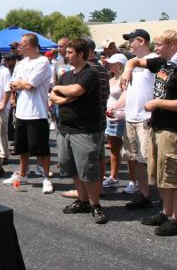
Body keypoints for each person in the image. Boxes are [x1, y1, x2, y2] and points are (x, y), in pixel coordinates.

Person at [121, 29, 177, 236]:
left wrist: (157, 103)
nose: (155, 48)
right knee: (161, 177)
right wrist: (127, 69)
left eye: (159, 44)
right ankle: (166, 212)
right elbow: (136, 61)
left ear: (173, 45)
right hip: (157, 127)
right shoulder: (163, 63)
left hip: (173, 132)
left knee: (174, 178)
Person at [49, 39, 107, 224]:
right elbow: (52, 95)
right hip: (65, 129)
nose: (66, 55)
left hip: (85, 130)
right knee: (73, 168)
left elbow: (76, 90)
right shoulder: (66, 75)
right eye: (66, 52)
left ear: (81, 54)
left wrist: (60, 90)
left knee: (88, 170)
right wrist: (62, 98)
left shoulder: (90, 73)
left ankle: (95, 205)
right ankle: (83, 201)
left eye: (70, 52)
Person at [4, 34, 54, 193]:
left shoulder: (43, 62)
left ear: (31, 45)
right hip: (21, 112)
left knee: (42, 149)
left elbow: (30, 85)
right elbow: (13, 84)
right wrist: (22, 83)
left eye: (22, 44)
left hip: (37, 113)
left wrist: (22, 83)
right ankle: (22, 174)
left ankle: (46, 178)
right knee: (22, 148)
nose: (20, 47)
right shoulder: (21, 63)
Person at [120, 29, 156, 204]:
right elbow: (128, 91)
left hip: (146, 118)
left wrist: (129, 66)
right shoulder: (131, 64)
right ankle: (144, 194)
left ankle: (163, 196)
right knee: (134, 158)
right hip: (130, 117)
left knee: (147, 158)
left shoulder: (154, 60)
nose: (129, 44)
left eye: (131, 40)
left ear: (141, 41)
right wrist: (116, 107)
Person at [102, 53, 128, 189]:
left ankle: (133, 180)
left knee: (127, 151)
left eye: (111, 63)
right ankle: (113, 177)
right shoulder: (111, 79)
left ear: (119, 65)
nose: (109, 65)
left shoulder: (125, 80)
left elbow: (127, 98)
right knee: (114, 149)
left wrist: (117, 110)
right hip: (110, 117)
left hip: (121, 117)